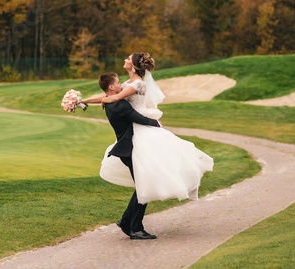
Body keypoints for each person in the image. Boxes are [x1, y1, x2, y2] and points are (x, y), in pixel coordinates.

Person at [82, 53, 214, 206]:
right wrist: (83, 100)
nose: (125, 60)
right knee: (142, 174)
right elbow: (107, 95)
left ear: (133, 65)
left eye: (128, 59)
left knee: (150, 169)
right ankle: (131, 221)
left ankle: (135, 217)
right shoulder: (127, 83)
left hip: (142, 125)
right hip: (134, 128)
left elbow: (115, 97)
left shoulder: (138, 83)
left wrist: (105, 99)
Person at [95, 72, 162, 240]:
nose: (121, 85)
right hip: (129, 149)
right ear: (111, 87)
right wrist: (158, 124)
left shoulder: (111, 103)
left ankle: (127, 222)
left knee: (143, 185)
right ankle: (134, 227)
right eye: (118, 83)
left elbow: (110, 97)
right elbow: (141, 119)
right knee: (143, 186)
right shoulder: (120, 106)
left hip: (127, 149)